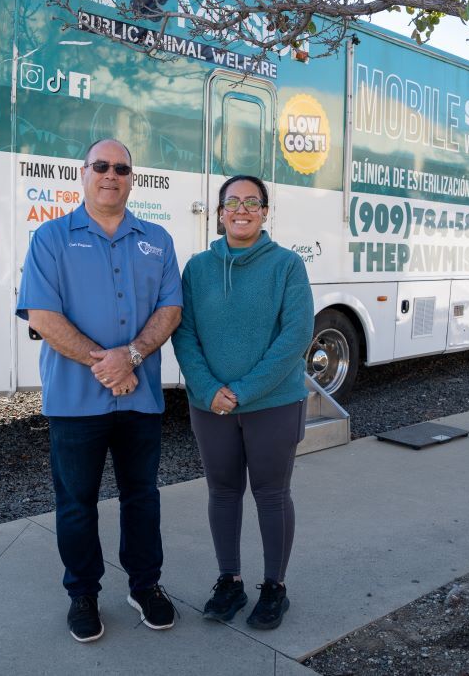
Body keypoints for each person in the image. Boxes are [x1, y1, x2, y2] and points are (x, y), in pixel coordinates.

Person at [16, 139, 182, 643]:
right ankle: (82, 594)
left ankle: (145, 586)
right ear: (82, 173)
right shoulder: (51, 238)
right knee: (75, 504)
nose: (112, 174)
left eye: (123, 168)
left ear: (133, 178)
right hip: (74, 403)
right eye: (102, 166)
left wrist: (128, 358)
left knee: (142, 498)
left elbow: (170, 310)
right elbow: (43, 316)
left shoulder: (157, 239)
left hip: (140, 398)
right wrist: (109, 365)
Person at [171, 175, 314, 630]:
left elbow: (296, 336)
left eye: (253, 202)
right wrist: (208, 387)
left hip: (272, 403)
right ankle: (228, 581)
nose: (242, 209)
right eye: (233, 201)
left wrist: (245, 390)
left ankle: (274, 588)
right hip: (210, 405)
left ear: (265, 212)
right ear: (219, 212)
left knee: (272, 494)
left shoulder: (287, 266)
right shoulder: (197, 268)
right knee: (223, 492)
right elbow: (184, 331)